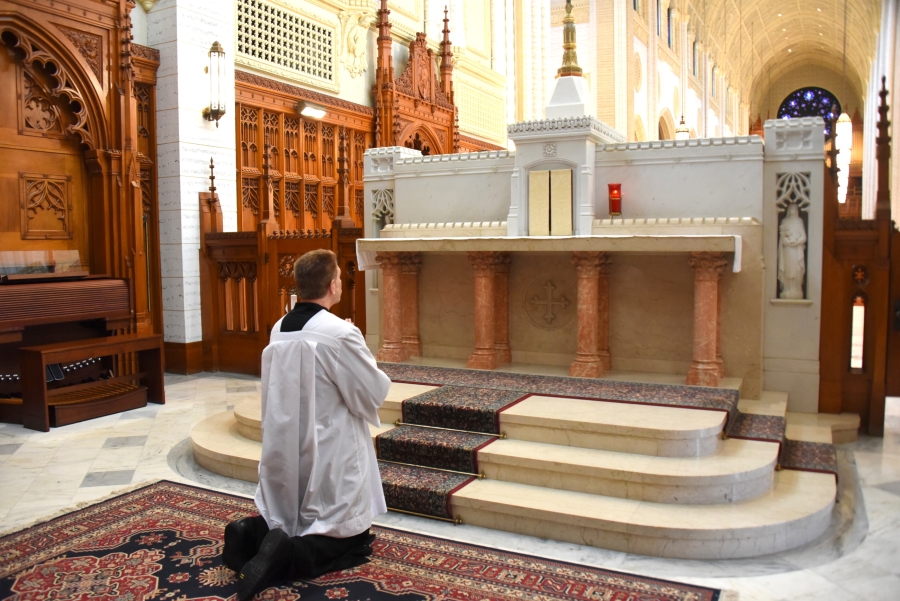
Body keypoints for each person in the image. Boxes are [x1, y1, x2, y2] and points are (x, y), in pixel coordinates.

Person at [222, 249, 391, 601]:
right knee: (350, 537)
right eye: (340, 281)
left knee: (288, 517)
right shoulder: (339, 332)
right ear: (332, 286)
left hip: (283, 447)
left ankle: (250, 533)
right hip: (329, 447)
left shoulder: (279, 328)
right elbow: (371, 390)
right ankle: (287, 558)